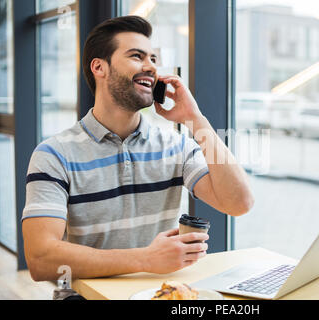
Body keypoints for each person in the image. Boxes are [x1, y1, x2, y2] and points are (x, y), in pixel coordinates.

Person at [22, 16, 254, 299]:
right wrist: (145, 259)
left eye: (153, 58)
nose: (151, 67)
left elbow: (239, 203)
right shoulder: (53, 155)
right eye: (137, 56)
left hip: (161, 295)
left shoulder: (175, 146)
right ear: (99, 67)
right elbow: (40, 259)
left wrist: (196, 120)